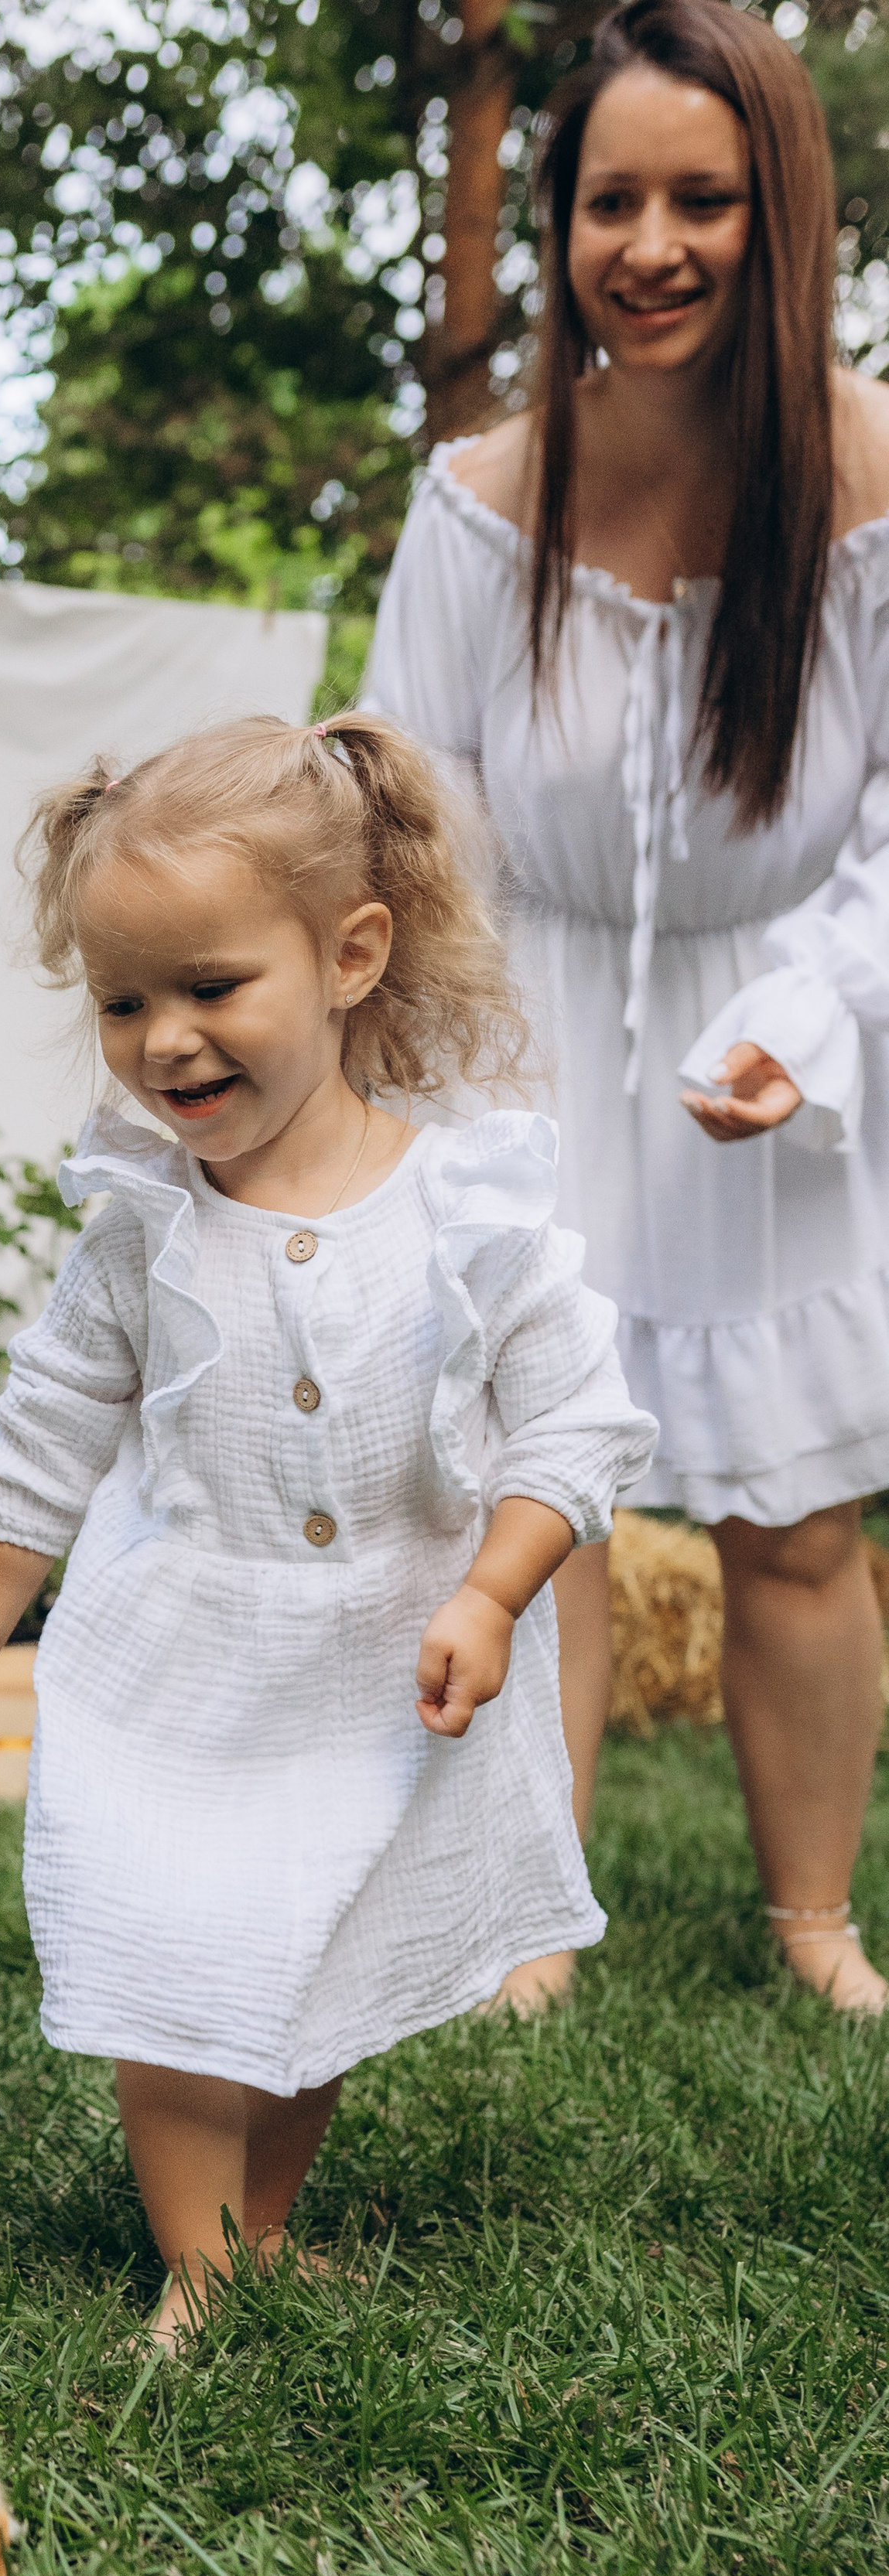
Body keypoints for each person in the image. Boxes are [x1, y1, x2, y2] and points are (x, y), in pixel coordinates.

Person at [0, 716, 657, 2349]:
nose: (163, 1040)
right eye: (119, 1001)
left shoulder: (471, 1213)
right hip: (177, 1663)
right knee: (170, 1964)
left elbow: (578, 1421)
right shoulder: (136, 1232)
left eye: (209, 988)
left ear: (348, 954)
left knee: (309, 1970)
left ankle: (256, 2230)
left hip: (380, 1668)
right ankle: (198, 2267)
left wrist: (497, 1588)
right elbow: (38, 1440)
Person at [366, 0, 889, 2017]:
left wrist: (818, 1022)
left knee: (799, 1521)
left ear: (784, 217)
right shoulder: (484, 495)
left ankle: (814, 1924)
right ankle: (529, 1923)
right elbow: (422, 807)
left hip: (796, 1035)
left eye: (702, 200)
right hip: (533, 1039)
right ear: (560, 227)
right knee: (541, 1502)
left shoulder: (871, 479)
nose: (647, 245)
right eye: (609, 202)